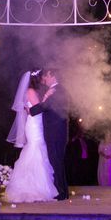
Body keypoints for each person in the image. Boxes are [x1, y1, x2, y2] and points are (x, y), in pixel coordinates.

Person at [5, 69, 58, 202]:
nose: (43, 80)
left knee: (38, 150)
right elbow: (37, 109)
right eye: (41, 78)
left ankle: (40, 186)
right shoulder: (30, 91)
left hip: (36, 123)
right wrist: (46, 97)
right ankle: (35, 188)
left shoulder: (31, 91)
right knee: (36, 149)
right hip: (35, 125)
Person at [29, 68, 69, 200]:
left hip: (55, 132)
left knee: (56, 160)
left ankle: (61, 192)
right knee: (57, 161)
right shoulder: (56, 89)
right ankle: (63, 191)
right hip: (56, 131)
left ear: (51, 75)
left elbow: (44, 107)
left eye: (45, 76)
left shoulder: (57, 91)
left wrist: (31, 109)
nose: (43, 79)